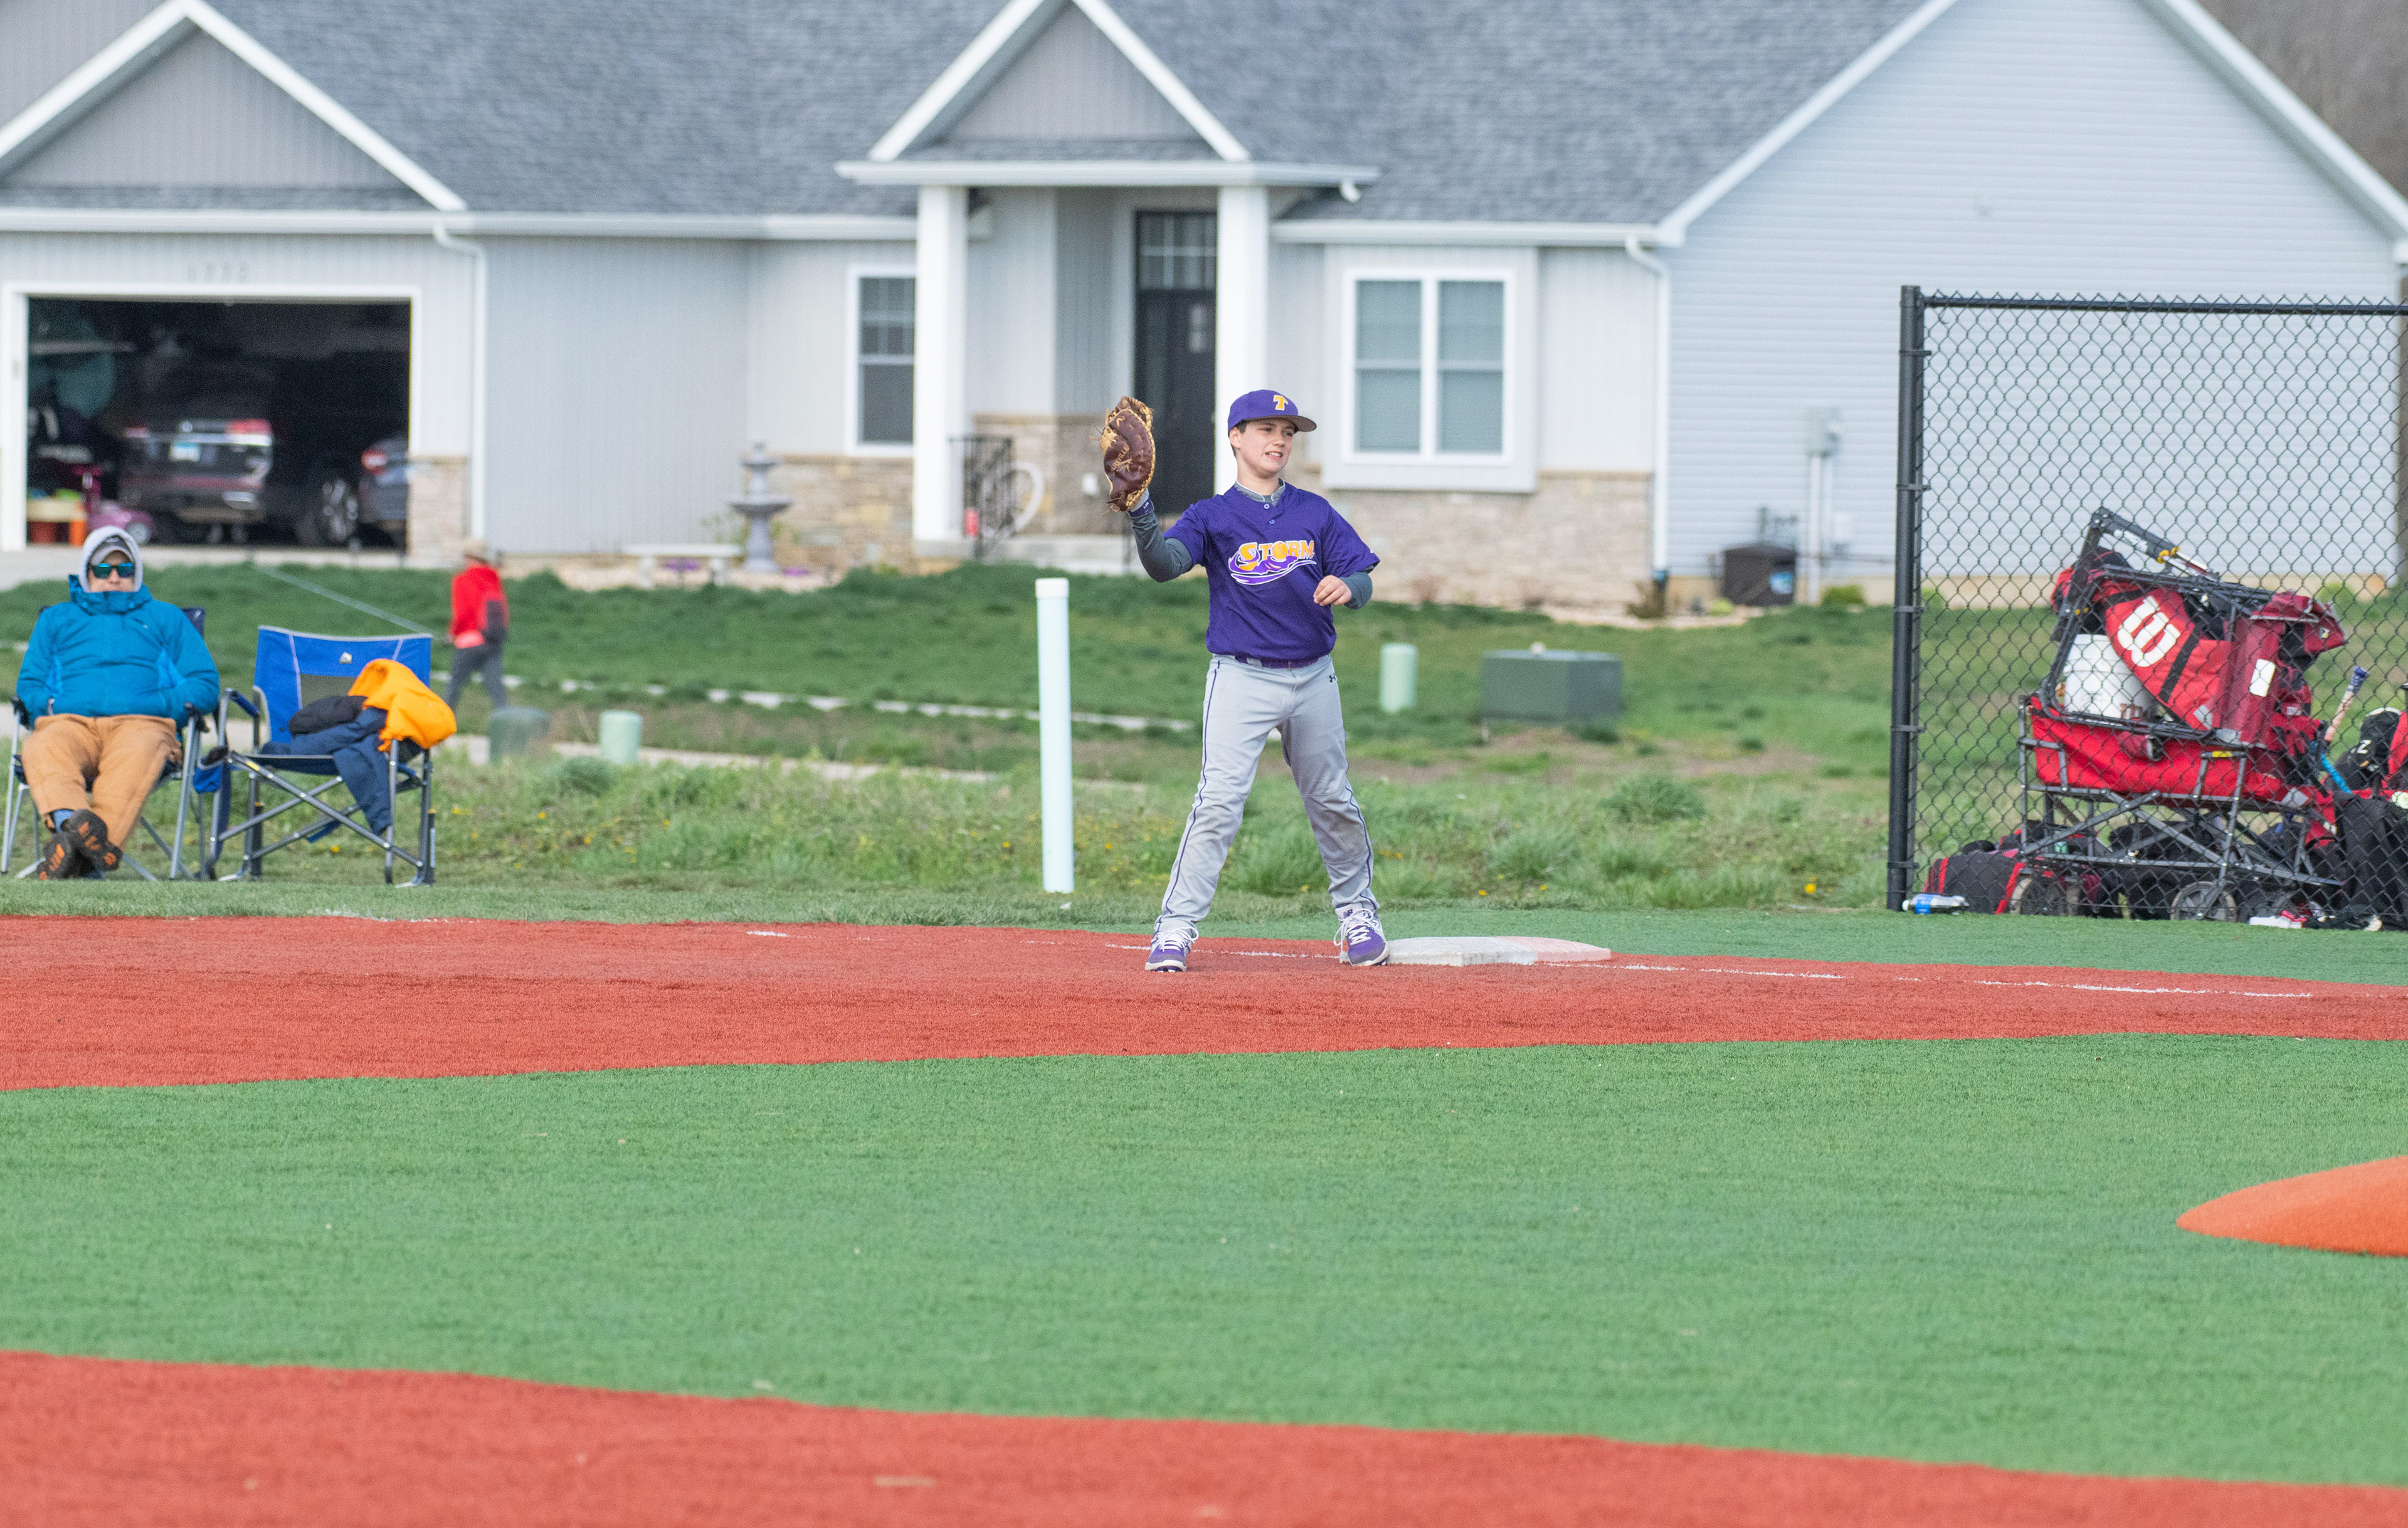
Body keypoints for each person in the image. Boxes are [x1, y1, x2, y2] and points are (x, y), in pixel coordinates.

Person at [1107, 389, 1385, 972]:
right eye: (1266, 428)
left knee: (1332, 798)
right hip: (1241, 677)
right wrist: (1140, 510)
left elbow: (1360, 574)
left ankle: (1358, 912)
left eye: (1288, 431)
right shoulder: (1213, 515)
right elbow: (1165, 566)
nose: (1279, 439)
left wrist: (1351, 588)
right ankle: (1175, 927)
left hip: (1313, 676)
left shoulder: (1314, 512)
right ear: (1235, 436)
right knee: (1218, 802)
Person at [14, 530, 219, 878]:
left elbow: (204, 683)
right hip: (69, 723)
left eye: (125, 570)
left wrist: (161, 705)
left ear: (136, 574)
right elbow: (30, 684)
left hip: (143, 726)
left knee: (140, 749)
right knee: (44, 745)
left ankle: (74, 855)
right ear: (86, 573)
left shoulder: (167, 619)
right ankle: (78, 836)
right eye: (103, 569)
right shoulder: (56, 620)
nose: (114, 577)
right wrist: (49, 707)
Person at [445, 539, 509, 710]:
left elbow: (462, 614)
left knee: (454, 689)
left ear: (469, 557)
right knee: (497, 689)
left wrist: (452, 634)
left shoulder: (462, 580)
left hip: (469, 642)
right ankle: (507, 723)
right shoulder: (494, 578)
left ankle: (442, 726)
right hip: (493, 640)